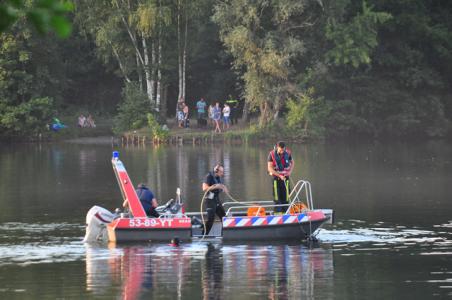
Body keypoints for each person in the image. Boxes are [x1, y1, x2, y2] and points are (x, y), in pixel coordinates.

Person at [267, 141, 294, 214]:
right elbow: (269, 168)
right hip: (276, 179)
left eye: (283, 150)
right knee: (277, 198)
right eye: (280, 150)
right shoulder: (271, 154)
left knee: (286, 198)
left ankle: (286, 214)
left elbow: (292, 162)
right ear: (277, 148)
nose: (282, 152)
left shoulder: (288, 153)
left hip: (286, 179)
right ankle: (278, 215)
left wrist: (289, 172)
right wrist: (279, 175)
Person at [202, 164, 228, 235]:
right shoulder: (209, 176)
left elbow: (219, 186)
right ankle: (204, 235)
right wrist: (216, 186)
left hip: (216, 200)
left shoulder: (218, 178)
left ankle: (223, 235)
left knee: (224, 218)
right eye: (221, 172)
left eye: (223, 172)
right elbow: (204, 188)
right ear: (216, 171)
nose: (222, 173)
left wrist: (223, 188)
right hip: (209, 201)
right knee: (211, 219)